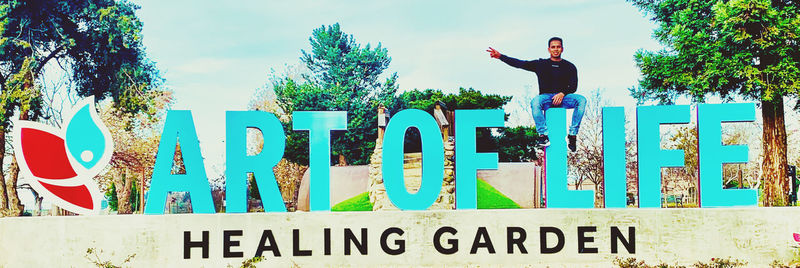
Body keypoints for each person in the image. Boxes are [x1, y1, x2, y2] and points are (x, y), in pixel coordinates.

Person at [487, 37, 585, 152]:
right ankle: (543, 135)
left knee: (581, 100)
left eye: (558, 47)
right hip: (546, 98)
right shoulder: (541, 64)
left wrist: (562, 93)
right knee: (535, 102)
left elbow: (573, 86)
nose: (556, 49)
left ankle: (572, 135)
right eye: (553, 47)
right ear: (549, 49)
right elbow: (520, 64)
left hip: (564, 98)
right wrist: (500, 57)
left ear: (562, 49)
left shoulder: (570, 66)